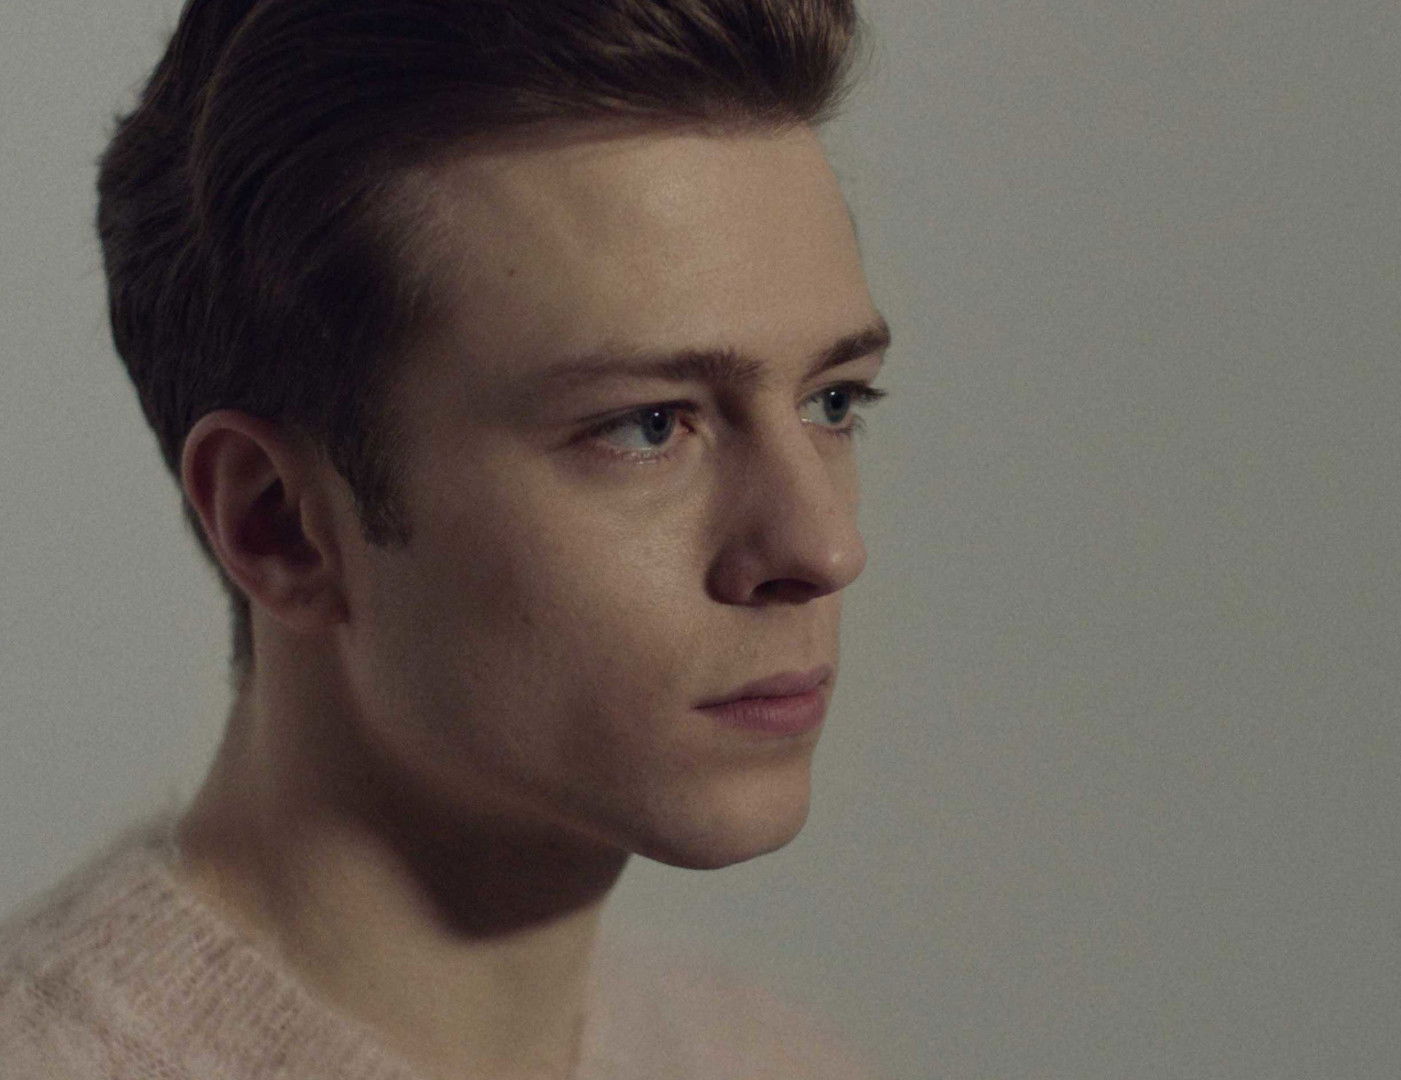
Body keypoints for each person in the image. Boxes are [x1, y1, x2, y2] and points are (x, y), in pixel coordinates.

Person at [0, 1, 890, 1077]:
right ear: (277, 523)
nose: (822, 547)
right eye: (647, 426)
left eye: (833, 401)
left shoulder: (769, 1057)